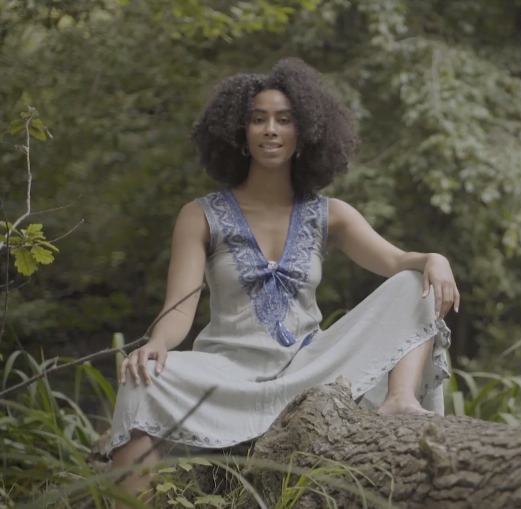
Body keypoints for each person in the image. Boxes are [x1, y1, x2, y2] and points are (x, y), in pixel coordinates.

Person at [106, 57, 457, 505]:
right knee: (142, 380)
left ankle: (400, 400)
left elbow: (395, 260)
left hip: (311, 368)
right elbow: (181, 306)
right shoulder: (200, 215)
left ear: (304, 133)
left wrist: (435, 258)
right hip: (227, 374)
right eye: (258, 119)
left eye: (284, 120)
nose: (270, 129)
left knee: (414, 284)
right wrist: (157, 343)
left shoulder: (330, 214)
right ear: (240, 132)